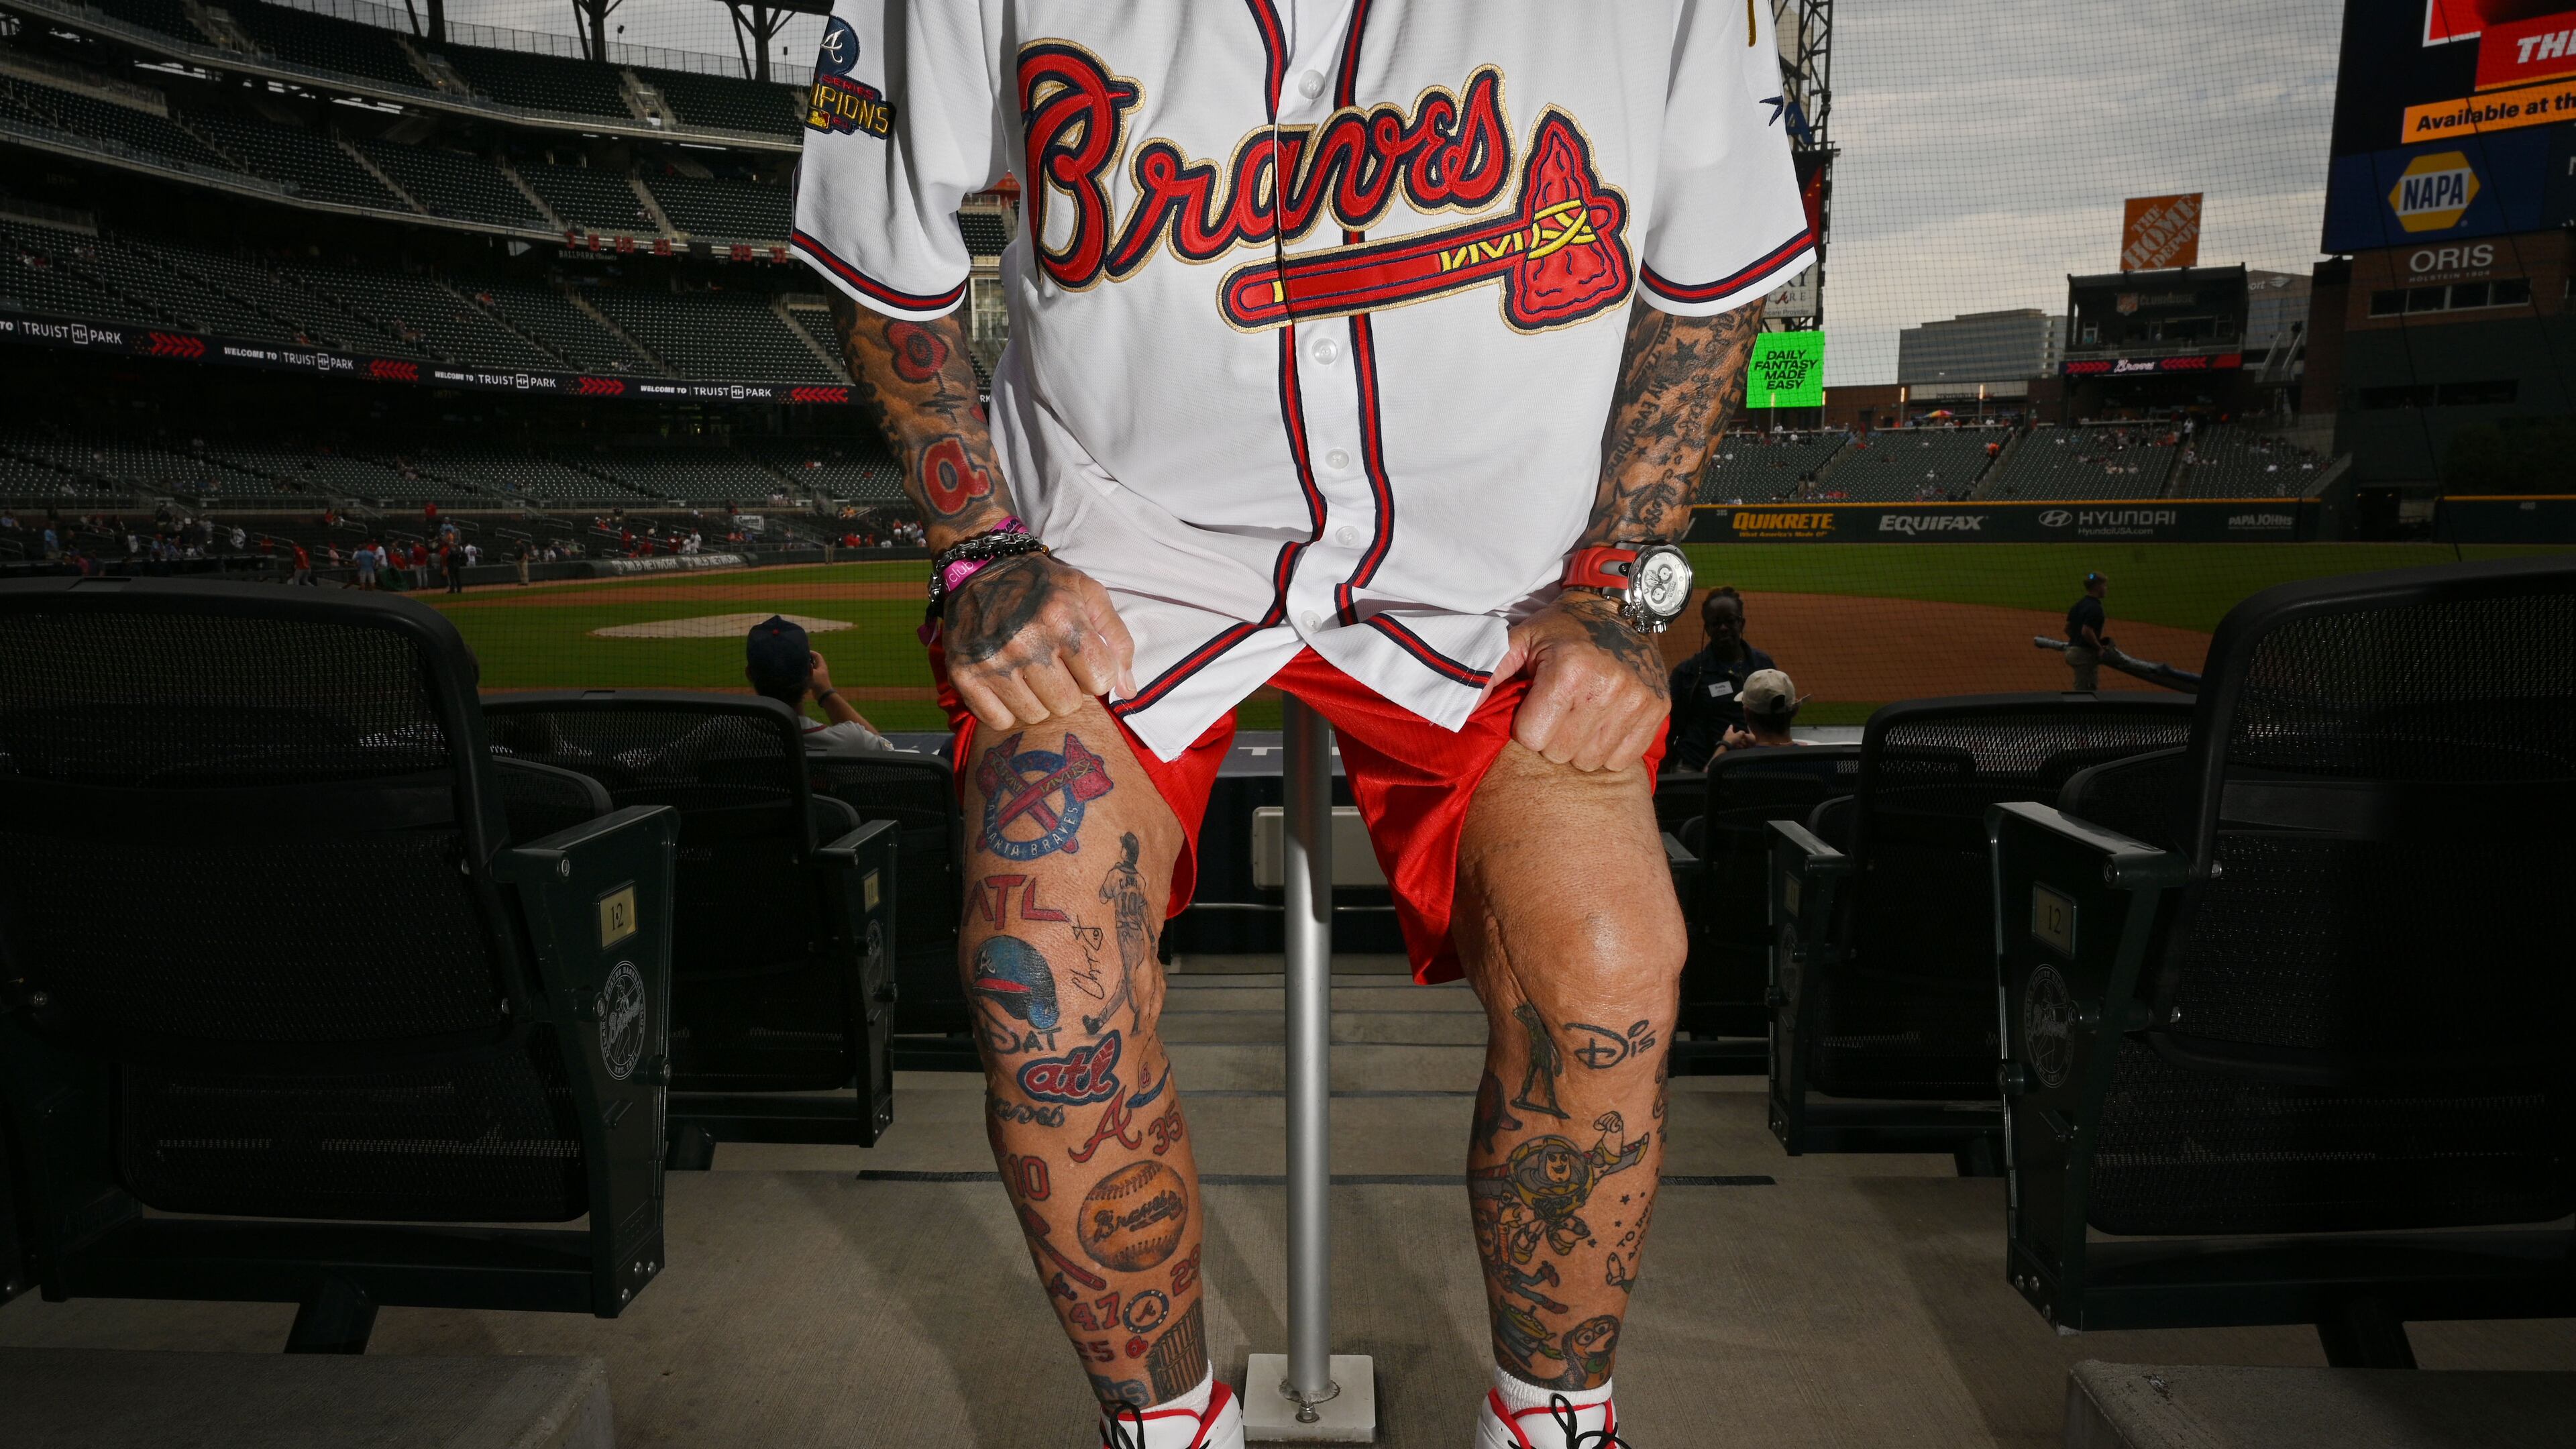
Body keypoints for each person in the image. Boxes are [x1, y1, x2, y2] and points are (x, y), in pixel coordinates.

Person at [792, 2, 1810, 1443]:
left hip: (1490, 572)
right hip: (1123, 545)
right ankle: (1164, 1432)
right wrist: (976, 539)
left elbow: (1713, 273)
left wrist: (1619, 583)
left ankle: (1549, 1423)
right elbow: (878, 246)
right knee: (1041, 948)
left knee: (1609, 962)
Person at [744, 615, 896, 757]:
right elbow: (886, 755)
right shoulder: (853, 742)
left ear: (749, 674)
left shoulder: (726, 736)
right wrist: (826, 692)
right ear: (811, 672)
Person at [1664, 588, 1776, 771]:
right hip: (1697, 769)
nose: (1723, 628)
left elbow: (1776, 718)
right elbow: (1671, 730)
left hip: (1753, 766)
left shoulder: (1763, 665)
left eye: (1730, 621)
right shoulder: (1688, 673)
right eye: (1716, 623)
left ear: (1742, 624)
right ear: (1707, 629)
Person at [1711, 668, 1805, 757]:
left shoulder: (1737, 767)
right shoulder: (1814, 759)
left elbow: (1708, 773)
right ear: (1796, 711)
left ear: (1747, 714)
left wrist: (1725, 745)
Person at [2065, 572, 2109, 691]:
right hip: (2084, 655)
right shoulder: (2096, 608)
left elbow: (2068, 629)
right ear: (2097, 587)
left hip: (2071, 651)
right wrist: (2099, 648)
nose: (2106, 589)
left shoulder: (2078, 605)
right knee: (2085, 691)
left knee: (2085, 687)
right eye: (2104, 585)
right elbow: (2086, 631)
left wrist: (2077, 640)